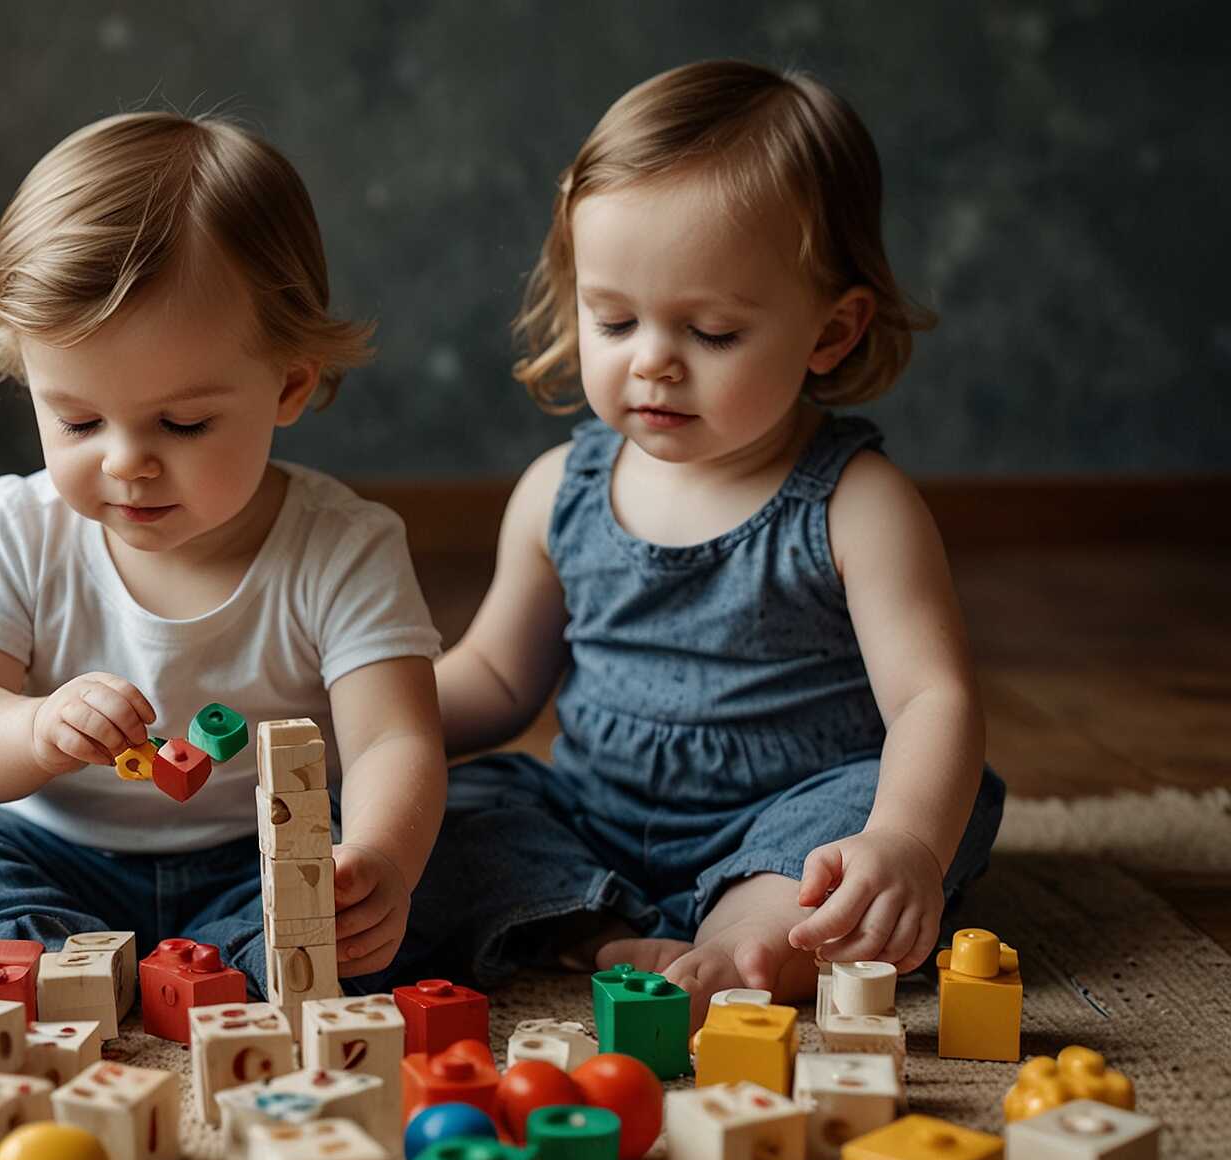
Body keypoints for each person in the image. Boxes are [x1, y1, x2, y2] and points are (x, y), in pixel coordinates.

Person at [425, 59, 1005, 1018]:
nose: (653, 360)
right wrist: (361, 723)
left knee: (901, 814)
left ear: (831, 331)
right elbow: (493, 676)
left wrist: (903, 837)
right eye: (614, 319)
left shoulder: (856, 504)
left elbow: (931, 699)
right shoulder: (558, 492)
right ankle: (595, 917)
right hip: (595, 815)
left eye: (713, 333)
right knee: (442, 810)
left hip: (789, 814)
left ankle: (746, 937)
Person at [0, 111, 446, 995]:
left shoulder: (343, 546)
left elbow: (393, 740)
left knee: (432, 867)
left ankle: (229, 965)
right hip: (58, 855)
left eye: (182, 423)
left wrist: (377, 860)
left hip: (260, 863)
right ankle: (79, 965)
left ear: (288, 385)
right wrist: (35, 730)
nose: (126, 462)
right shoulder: (19, 528)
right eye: (78, 421)